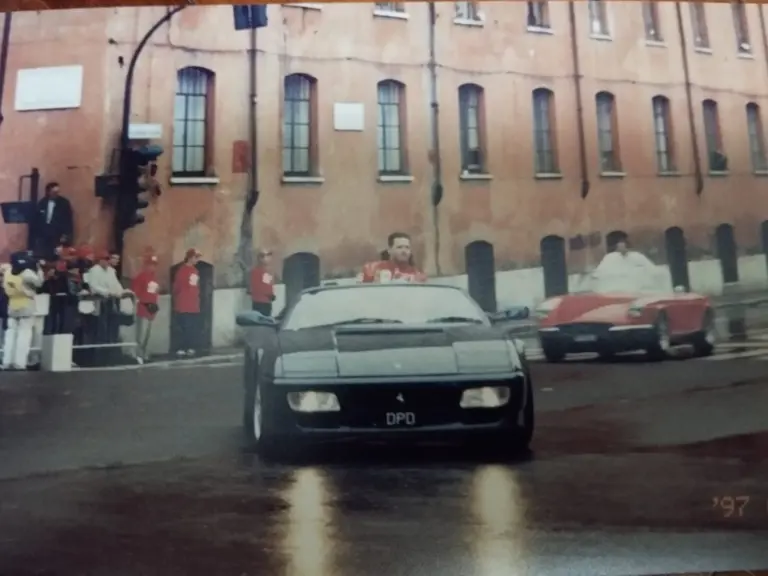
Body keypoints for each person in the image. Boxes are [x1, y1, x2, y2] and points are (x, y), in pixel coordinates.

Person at [2, 252, 43, 370]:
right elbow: (39, 282)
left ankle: (7, 361)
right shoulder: (27, 272)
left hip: (12, 304)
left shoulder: (8, 273)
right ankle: (19, 362)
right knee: (24, 334)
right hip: (26, 304)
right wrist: (38, 269)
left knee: (10, 334)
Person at [360, 232, 427, 283]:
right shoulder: (372, 268)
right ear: (389, 250)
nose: (404, 251)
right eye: (399, 247)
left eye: (407, 247)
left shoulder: (417, 274)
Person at [31, 182, 74, 260]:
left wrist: (65, 235)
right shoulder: (42, 203)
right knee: (43, 257)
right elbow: (36, 220)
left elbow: (68, 220)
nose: (56, 194)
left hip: (57, 234)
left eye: (57, 192)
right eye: (54, 192)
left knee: (56, 257)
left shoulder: (64, 203)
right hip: (44, 235)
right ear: (48, 192)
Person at [172, 248, 202, 357]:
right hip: (183, 304)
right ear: (190, 257)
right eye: (196, 257)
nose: (197, 260)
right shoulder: (182, 271)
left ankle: (189, 347)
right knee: (184, 327)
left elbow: (196, 288)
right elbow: (176, 288)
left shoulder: (195, 271)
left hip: (193, 305)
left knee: (192, 327)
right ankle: (181, 348)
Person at [131, 252, 160, 364]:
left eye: (154, 264)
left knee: (148, 334)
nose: (152, 267)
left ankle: (144, 353)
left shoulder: (154, 278)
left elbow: (155, 293)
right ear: (146, 265)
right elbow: (136, 293)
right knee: (141, 335)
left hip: (152, 308)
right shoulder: (141, 277)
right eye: (150, 264)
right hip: (143, 308)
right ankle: (138, 355)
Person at [249, 248, 275, 316]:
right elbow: (266, 288)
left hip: (257, 302)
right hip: (264, 303)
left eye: (269, 255)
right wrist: (271, 295)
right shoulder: (265, 271)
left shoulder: (255, 271)